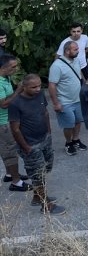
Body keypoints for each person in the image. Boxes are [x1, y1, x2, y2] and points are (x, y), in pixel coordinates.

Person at [9, 74, 65, 214]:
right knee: (37, 174)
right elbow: (15, 129)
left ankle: (36, 197)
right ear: (24, 86)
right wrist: (26, 147)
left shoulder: (40, 95)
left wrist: (49, 132)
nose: (38, 89)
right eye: (33, 87)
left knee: (46, 167)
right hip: (30, 145)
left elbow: (45, 113)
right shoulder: (15, 103)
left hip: (45, 139)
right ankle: (46, 205)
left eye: (39, 85)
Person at [48, 40, 86, 155]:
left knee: (78, 121)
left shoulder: (76, 61)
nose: (78, 51)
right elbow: (51, 85)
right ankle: (68, 143)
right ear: (67, 51)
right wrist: (56, 103)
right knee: (69, 124)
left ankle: (76, 140)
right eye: (75, 49)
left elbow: (80, 75)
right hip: (65, 101)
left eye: (77, 49)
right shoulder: (57, 66)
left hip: (78, 99)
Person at [0, 55, 30, 192]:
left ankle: (9, 174)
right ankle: (16, 182)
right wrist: (18, 91)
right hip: (3, 123)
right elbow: (4, 104)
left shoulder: (6, 78)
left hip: (7, 120)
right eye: (13, 67)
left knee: (8, 149)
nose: (15, 69)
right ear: (3, 68)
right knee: (10, 151)